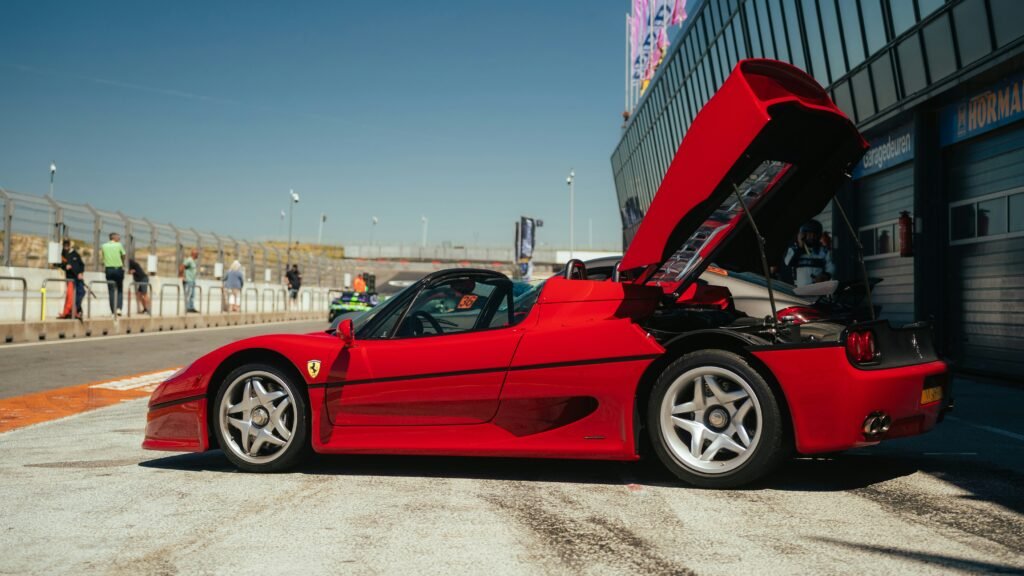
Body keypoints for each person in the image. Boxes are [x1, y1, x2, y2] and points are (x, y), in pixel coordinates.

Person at [784, 219, 835, 286]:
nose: (812, 237)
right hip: (800, 289)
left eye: (815, 234)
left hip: (819, 289)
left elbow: (831, 267)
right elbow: (787, 262)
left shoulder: (823, 251)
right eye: (809, 234)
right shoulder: (794, 249)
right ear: (803, 234)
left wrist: (825, 276)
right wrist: (800, 246)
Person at [57, 239, 85, 320]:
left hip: (78, 278)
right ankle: (71, 311)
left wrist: (81, 273)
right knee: (70, 295)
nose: (66, 246)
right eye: (65, 245)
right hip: (70, 278)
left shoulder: (75, 254)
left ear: (69, 245)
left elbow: (81, 265)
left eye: (67, 245)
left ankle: (76, 309)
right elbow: (59, 264)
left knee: (81, 292)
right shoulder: (62, 255)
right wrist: (65, 267)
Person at [101, 232, 127, 315]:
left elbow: (103, 257)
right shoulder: (118, 245)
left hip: (108, 269)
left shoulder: (104, 246)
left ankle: (113, 310)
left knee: (111, 290)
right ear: (114, 238)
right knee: (119, 289)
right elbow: (124, 254)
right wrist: (122, 262)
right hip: (118, 269)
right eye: (118, 237)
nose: (119, 239)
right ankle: (119, 308)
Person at [180, 249, 199, 313]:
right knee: (188, 294)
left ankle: (191, 307)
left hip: (192, 280)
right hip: (188, 280)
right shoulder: (189, 260)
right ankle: (187, 307)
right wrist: (181, 276)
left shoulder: (193, 261)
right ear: (194, 254)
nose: (198, 255)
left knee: (192, 295)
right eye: (197, 254)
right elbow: (182, 267)